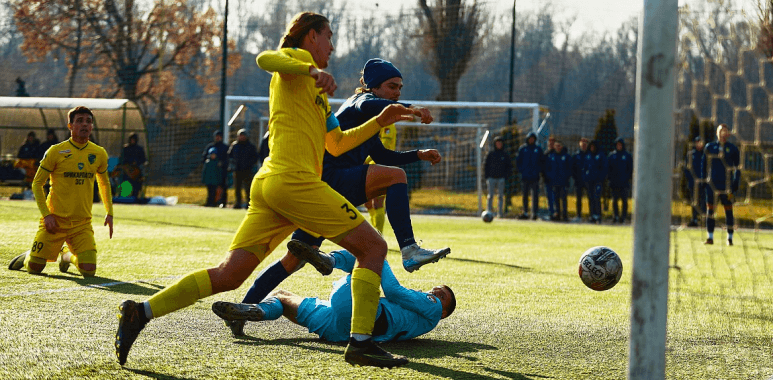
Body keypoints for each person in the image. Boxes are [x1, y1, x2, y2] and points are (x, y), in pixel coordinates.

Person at [114, 12, 421, 369]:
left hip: (271, 186)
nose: (333, 46)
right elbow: (265, 58)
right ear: (311, 38)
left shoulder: (319, 93)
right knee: (375, 247)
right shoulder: (297, 62)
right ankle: (362, 342)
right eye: (329, 37)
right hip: (295, 183)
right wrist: (310, 70)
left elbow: (336, 144)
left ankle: (141, 311)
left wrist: (380, 121)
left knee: (229, 275)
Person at [220, 57, 450, 337]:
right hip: (332, 178)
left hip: (322, 192)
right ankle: (409, 249)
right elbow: (377, 106)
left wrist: (419, 154)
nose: (397, 92)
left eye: (400, 87)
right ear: (374, 86)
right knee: (396, 177)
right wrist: (410, 110)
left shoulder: (370, 119)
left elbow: (381, 155)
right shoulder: (361, 102)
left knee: (292, 261)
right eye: (392, 86)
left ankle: (243, 309)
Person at [211, 249, 455, 343]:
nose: (435, 291)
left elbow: (393, 291)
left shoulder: (432, 310)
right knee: (282, 297)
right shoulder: (422, 320)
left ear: (443, 313)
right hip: (344, 332)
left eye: (442, 295)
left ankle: (330, 260)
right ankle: (257, 311)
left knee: (371, 253)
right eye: (437, 289)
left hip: (363, 312)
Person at [8, 106, 114, 277]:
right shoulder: (56, 151)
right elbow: (37, 183)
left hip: (81, 223)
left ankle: (66, 256)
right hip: (54, 221)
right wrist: (47, 215)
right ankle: (28, 255)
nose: (84, 125)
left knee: (89, 270)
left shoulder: (99, 153)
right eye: (79, 121)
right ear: (70, 126)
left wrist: (109, 212)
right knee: (34, 268)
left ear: (92, 127)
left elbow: (104, 183)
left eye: (88, 121)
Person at [702, 124, 740, 245]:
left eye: (725, 131)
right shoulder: (710, 147)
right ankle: (710, 237)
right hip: (712, 184)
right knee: (710, 210)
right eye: (720, 131)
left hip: (727, 185)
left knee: (728, 210)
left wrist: (735, 182)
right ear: (717, 133)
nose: (723, 134)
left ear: (728, 134)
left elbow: (737, 168)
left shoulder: (733, 148)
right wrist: (703, 181)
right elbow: (703, 165)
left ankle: (729, 238)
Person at [363, 122, 397, 233]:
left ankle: (378, 235)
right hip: (370, 168)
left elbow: (385, 147)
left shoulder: (388, 125)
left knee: (377, 202)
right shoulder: (373, 125)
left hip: (383, 167)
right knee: (367, 202)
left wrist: (364, 160)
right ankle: (374, 231)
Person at [228, 129, 259, 209]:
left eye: (243, 135)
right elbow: (230, 156)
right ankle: (237, 203)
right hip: (237, 170)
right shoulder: (234, 145)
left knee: (248, 188)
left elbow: (255, 157)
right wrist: (233, 165)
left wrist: (249, 165)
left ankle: (248, 203)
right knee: (237, 188)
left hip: (247, 171)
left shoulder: (251, 146)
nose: (241, 137)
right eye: (240, 135)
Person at [516, 131, 543, 220]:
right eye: (530, 139)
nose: (531, 140)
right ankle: (526, 212)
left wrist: (538, 171)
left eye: (533, 139)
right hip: (525, 176)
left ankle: (534, 213)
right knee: (525, 195)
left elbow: (541, 162)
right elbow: (518, 161)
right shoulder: (523, 149)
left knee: (535, 196)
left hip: (535, 177)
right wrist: (522, 171)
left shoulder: (538, 149)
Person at [484, 136, 512, 217]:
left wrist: (505, 176)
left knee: (500, 196)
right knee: (490, 195)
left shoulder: (505, 155)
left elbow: (508, 166)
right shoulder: (491, 154)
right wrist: (487, 176)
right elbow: (486, 165)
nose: (498, 145)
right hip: (491, 178)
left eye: (500, 143)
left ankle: (500, 213)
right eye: (497, 143)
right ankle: (488, 212)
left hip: (501, 178)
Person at [607, 137, 633, 224]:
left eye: (620, 145)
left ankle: (623, 217)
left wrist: (627, 178)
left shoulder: (627, 156)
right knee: (615, 201)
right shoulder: (612, 155)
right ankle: (616, 216)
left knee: (624, 201)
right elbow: (609, 168)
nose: (619, 146)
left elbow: (630, 169)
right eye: (617, 145)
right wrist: (610, 179)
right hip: (614, 183)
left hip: (624, 183)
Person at [545, 140, 571, 221]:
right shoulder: (551, 156)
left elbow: (569, 169)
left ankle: (565, 215)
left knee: (563, 199)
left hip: (563, 182)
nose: (558, 147)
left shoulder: (566, 156)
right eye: (556, 146)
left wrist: (566, 178)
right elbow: (548, 168)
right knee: (556, 199)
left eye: (559, 145)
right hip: (554, 182)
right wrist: (550, 177)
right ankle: (557, 214)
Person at [202, 130, 229, 207]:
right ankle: (211, 201)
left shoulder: (225, 147)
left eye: (219, 136)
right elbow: (204, 158)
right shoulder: (210, 147)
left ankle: (223, 202)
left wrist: (222, 164)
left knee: (223, 187)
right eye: (216, 136)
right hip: (211, 172)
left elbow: (227, 159)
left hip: (221, 171)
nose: (217, 138)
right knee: (211, 188)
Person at [583, 140, 607, 224]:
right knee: (591, 198)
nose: (592, 148)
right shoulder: (588, 155)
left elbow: (604, 168)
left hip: (598, 181)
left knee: (597, 197)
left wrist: (601, 178)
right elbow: (585, 167)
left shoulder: (600, 155)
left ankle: (598, 215)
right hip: (589, 181)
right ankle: (592, 215)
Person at [684, 136, 706, 227]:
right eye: (697, 142)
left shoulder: (705, 155)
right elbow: (686, 168)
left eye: (700, 142)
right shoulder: (690, 154)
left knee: (703, 201)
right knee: (694, 201)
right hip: (693, 183)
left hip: (703, 182)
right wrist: (690, 179)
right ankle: (694, 219)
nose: (699, 144)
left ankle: (703, 219)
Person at [118, 132, 147, 198]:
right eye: (131, 139)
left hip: (136, 170)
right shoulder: (126, 148)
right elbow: (121, 159)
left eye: (134, 139)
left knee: (137, 180)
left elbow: (143, 159)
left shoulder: (139, 149)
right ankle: (123, 195)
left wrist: (136, 163)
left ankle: (135, 195)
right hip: (127, 170)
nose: (132, 141)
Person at [572, 138, 590, 221]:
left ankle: (591, 215)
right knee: (578, 199)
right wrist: (575, 177)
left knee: (591, 198)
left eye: (585, 144)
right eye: (582, 144)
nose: (583, 145)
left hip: (588, 181)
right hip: (579, 180)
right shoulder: (576, 155)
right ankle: (578, 215)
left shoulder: (590, 155)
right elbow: (573, 167)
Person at [543, 136, 556, 220]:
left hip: (556, 180)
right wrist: (545, 177)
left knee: (556, 198)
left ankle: (558, 214)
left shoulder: (558, 154)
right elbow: (543, 167)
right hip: (548, 180)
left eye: (552, 143)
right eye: (549, 143)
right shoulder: (546, 154)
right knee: (549, 198)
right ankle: (551, 213)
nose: (550, 144)